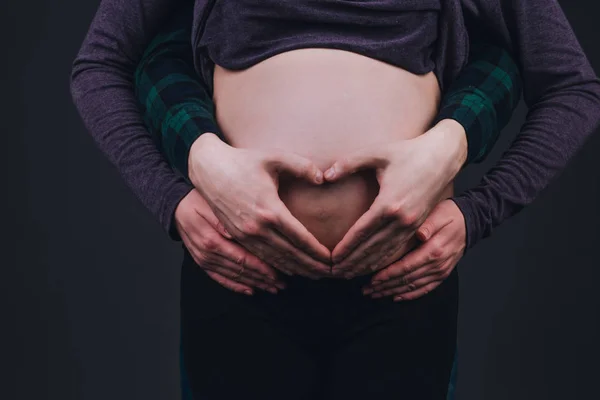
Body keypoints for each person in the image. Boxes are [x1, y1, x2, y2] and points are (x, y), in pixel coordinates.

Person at [70, 1, 600, 399]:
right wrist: (172, 199)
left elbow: (572, 85)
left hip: (401, 283)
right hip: (239, 275)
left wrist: (476, 212)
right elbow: (101, 62)